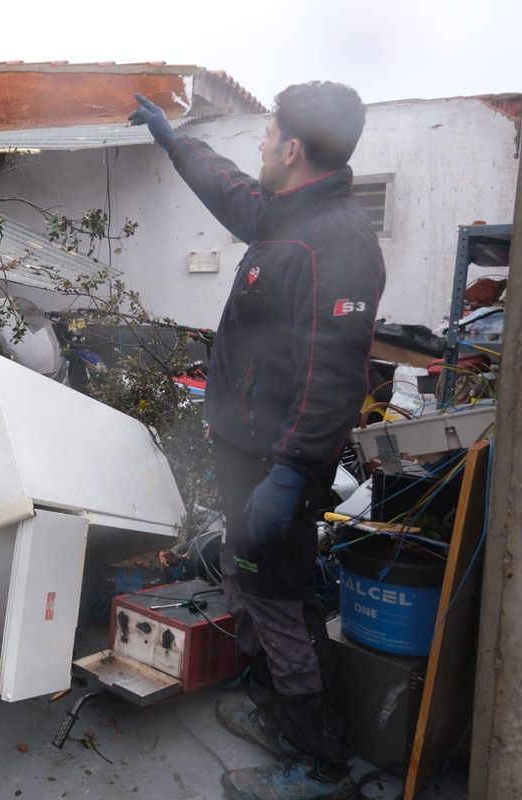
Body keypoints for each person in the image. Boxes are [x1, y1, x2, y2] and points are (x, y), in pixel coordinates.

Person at [130, 83, 385, 800]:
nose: (262, 147)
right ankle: (280, 714)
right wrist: (173, 139)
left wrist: (293, 470)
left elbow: (335, 374)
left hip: (281, 463)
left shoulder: (337, 244)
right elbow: (226, 185)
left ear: (295, 150)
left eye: (268, 137)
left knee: (280, 599)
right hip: (249, 452)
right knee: (249, 582)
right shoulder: (285, 219)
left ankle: (319, 763)